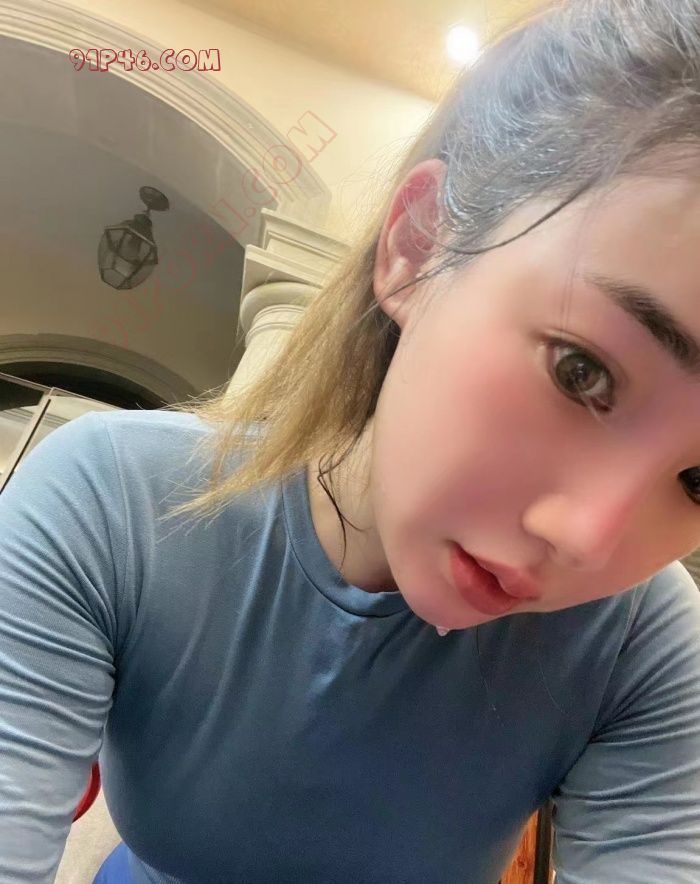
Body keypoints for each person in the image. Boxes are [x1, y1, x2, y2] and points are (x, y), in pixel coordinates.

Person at [3, 0, 700, 880]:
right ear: (418, 247)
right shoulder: (116, 503)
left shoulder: (642, 644)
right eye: (580, 371)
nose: (590, 539)